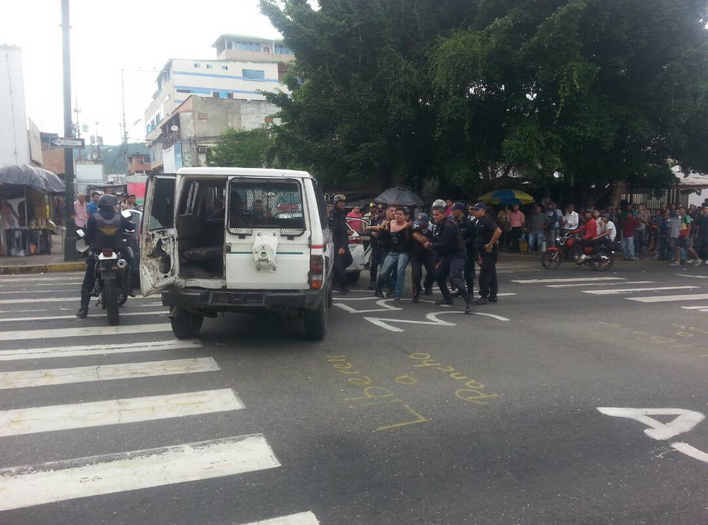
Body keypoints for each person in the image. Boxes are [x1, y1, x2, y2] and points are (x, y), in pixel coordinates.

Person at [76, 194, 135, 318]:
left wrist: (87, 241)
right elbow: (131, 227)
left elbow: (88, 237)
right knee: (130, 261)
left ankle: (83, 309)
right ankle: (128, 286)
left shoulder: (93, 218)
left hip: (98, 253)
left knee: (89, 278)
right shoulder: (119, 217)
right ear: (112, 205)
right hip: (118, 251)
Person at [426, 206, 474, 314]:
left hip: (457, 254)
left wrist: (430, 245)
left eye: (437, 214)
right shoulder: (439, 225)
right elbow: (438, 240)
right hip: (448, 255)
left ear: (444, 214)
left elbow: (443, 243)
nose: (434, 217)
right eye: (433, 214)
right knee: (439, 276)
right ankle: (447, 298)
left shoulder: (448, 225)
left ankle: (469, 301)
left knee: (454, 277)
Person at [376, 207, 412, 302]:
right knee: (383, 273)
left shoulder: (407, 226)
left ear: (405, 216)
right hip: (392, 252)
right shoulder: (391, 223)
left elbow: (410, 240)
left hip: (403, 253)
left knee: (400, 272)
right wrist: (383, 228)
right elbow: (381, 233)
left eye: (400, 214)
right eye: (396, 214)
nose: (397, 215)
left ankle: (397, 294)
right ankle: (393, 285)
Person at [470, 203, 502, 305]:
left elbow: (498, 231)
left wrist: (490, 244)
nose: (474, 212)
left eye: (476, 210)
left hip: (490, 251)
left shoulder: (486, 221)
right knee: (491, 273)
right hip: (484, 251)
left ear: (482, 211)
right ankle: (493, 295)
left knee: (484, 274)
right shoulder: (479, 222)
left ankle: (484, 296)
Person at [330, 194, 354, 294]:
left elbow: (341, 229)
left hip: (342, 242)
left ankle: (335, 279)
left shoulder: (341, 214)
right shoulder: (332, 214)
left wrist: (346, 232)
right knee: (338, 266)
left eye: (344, 202)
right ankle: (343, 286)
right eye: (341, 202)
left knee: (349, 260)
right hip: (336, 243)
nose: (343, 204)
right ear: (336, 203)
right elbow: (333, 229)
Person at [451, 202, 476, 296]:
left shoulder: (468, 222)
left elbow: (472, 236)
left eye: (454, 210)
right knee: (457, 272)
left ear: (459, 210)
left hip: (468, 251)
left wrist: (463, 244)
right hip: (457, 251)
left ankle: (470, 292)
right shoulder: (454, 221)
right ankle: (461, 290)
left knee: (467, 273)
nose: (452, 212)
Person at [410, 213, 436, 303]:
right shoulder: (415, 226)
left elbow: (436, 240)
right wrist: (423, 240)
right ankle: (416, 293)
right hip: (416, 253)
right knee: (416, 274)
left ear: (427, 222)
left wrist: (428, 242)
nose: (420, 225)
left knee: (433, 273)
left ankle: (427, 284)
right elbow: (415, 234)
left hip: (429, 253)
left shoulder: (433, 228)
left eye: (422, 223)